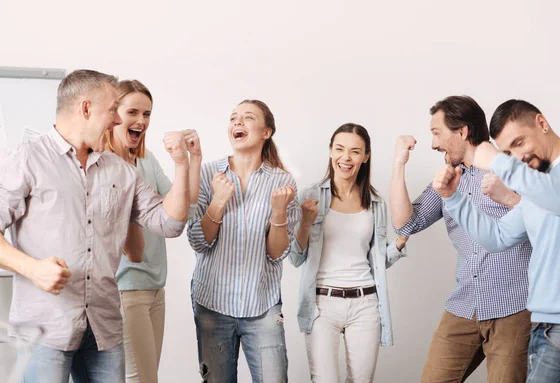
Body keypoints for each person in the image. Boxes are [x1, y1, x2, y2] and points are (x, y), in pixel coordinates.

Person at [0, 69, 191, 383]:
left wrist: (183, 163)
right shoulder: (25, 160)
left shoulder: (121, 171)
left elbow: (169, 223)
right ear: (85, 108)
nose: (118, 120)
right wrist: (33, 268)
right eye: (113, 109)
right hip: (45, 329)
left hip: (104, 329)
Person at [434, 99, 560, 382]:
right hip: (543, 322)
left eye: (520, 142)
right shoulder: (538, 181)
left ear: (542, 123)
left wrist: (499, 161)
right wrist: (454, 199)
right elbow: (498, 237)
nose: (518, 156)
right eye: (509, 151)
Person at [390, 96, 532, 382]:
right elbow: (406, 222)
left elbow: (547, 217)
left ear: (462, 131)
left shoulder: (510, 168)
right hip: (465, 303)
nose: (433, 144)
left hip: (514, 305)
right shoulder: (448, 178)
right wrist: (398, 164)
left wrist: (509, 197)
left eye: (437, 133)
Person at [187, 99, 300, 383]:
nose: (237, 122)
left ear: (266, 132)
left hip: (262, 306)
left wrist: (278, 213)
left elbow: (276, 253)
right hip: (212, 302)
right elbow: (198, 242)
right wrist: (218, 203)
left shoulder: (283, 182)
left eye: (247, 118)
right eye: (233, 118)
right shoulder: (207, 173)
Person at [289, 123, 406, 382]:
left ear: (366, 157)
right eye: (339, 149)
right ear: (331, 152)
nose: (346, 157)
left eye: (355, 151)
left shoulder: (376, 204)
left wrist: (398, 245)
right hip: (322, 304)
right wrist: (306, 223)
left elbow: (375, 261)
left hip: (365, 303)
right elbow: (295, 258)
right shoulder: (310, 195)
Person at [104, 79, 202, 383]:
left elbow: (181, 206)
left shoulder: (144, 159)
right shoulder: (106, 165)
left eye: (147, 114)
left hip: (155, 285)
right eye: (132, 112)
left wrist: (191, 159)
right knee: (142, 379)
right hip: (126, 289)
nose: (141, 121)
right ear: (113, 114)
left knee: (146, 377)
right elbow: (131, 248)